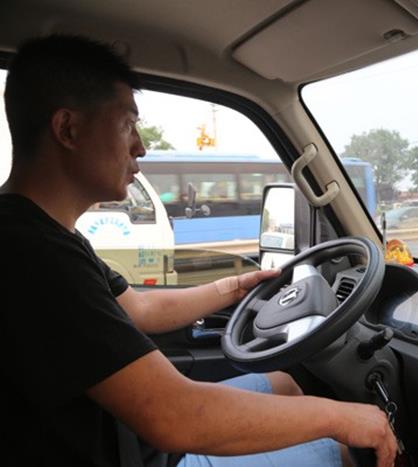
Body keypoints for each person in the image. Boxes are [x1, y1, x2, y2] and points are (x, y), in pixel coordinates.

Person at [0, 35, 397, 467]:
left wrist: (236, 287)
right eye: (127, 125)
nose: (140, 146)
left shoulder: (49, 235)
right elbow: (175, 416)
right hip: (140, 452)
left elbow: (141, 310)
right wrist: (342, 418)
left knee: (284, 384)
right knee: (344, 452)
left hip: (128, 438)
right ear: (68, 129)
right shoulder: (34, 254)